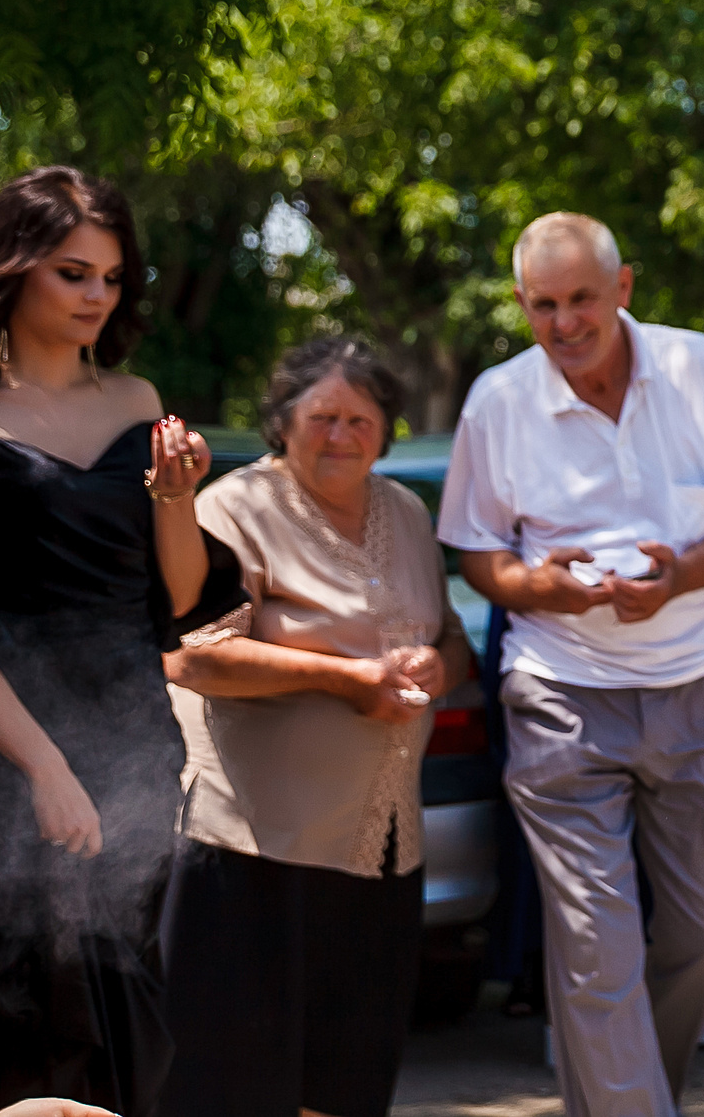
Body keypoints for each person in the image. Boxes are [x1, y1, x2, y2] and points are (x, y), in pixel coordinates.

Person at [0, 167, 244, 1117]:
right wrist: (45, 768)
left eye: (113, 277)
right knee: (14, 1031)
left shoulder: (138, 400)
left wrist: (175, 497)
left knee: (120, 1032)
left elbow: (173, 602)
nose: (98, 296)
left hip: (134, 747)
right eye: (73, 272)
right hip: (8, 765)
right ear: (12, 271)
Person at [438, 212, 704, 1117]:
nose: (564, 323)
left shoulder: (698, 367)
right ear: (521, 304)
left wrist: (679, 574)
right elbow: (479, 555)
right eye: (543, 305)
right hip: (562, 691)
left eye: (581, 299)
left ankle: (633, 1100)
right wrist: (543, 586)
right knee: (599, 948)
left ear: (623, 287)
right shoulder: (497, 399)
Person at [158, 336, 475, 1117]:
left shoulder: (404, 511)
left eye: (361, 419)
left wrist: (439, 667)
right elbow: (194, 657)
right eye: (323, 416)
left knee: (349, 1084)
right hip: (257, 850)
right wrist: (347, 678)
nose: (342, 434)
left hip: (381, 848)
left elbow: (455, 643)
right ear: (281, 420)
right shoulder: (234, 507)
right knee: (239, 1087)